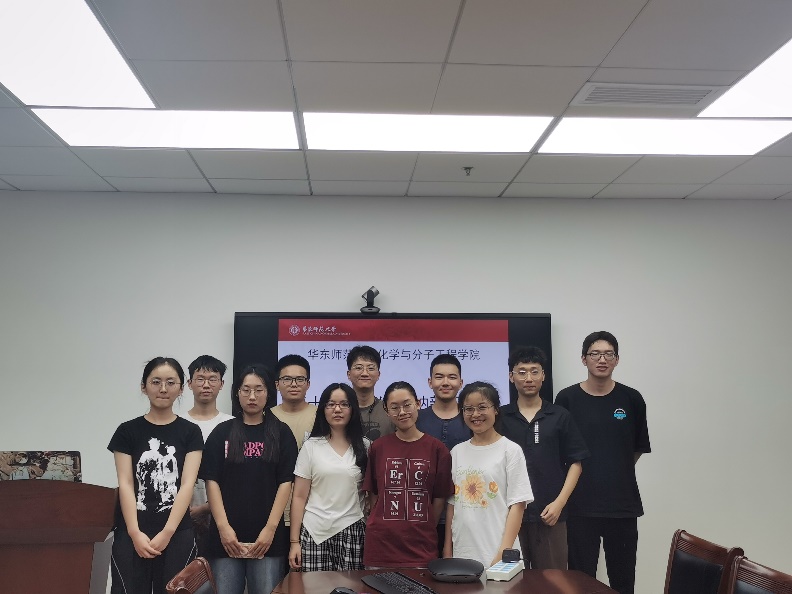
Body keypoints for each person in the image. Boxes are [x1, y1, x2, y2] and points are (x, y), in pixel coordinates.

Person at [555, 331, 651, 594]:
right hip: (580, 506)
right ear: (583, 359)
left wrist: (613, 469)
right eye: (595, 354)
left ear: (617, 360)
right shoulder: (566, 399)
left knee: (623, 581)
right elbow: (561, 451)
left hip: (622, 506)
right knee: (580, 582)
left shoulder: (632, 399)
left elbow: (636, 449)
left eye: (608, 354)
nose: (602, 359)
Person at [199, 364, 298, 594]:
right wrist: (224, 528)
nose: (252, 396)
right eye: (246, 390)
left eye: (259, 390)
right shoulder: (222, 432)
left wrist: (269, 530)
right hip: (226, 540)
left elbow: (286, 483)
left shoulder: (281, 433)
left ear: (268, 392)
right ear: (237, 393)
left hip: (267, 540)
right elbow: (211, 481)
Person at [107, 357, 204, 594]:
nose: (163, 388)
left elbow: (187, 484)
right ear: (144, 386)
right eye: (156, 382)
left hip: (177, 532)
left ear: (181, 388)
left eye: (171, 382)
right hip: (132, 532)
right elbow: (126, 483)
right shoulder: (127, 431)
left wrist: (167, 532)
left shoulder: (190, 432)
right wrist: (134, 533)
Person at [500, 346, 590, 569]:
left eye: (534, 371)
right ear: (511, 376)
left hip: (550, 513)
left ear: (543, 376)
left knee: (552, 580)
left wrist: (559, 503)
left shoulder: (560, 415)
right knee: (510, 579)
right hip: (509, 514)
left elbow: (576, 463)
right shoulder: (500, 417)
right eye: (522, 372)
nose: (528, 378)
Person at [362, 381, 453, 569]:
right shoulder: (378, 448)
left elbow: (439, 500)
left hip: (421, 547)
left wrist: (422, 524)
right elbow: (374, 495)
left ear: (418, 403)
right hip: (381, 546)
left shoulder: (437, 449)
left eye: (407, 405)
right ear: (387, 411)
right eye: (394, 407)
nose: (402, 412)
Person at [444, 382, 533, 568]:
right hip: (463, 552)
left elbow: (518, 505)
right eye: (468, 409)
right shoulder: (457, 452)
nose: (475, 414)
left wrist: (503, 552)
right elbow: (452, 504)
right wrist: (447, 549)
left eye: (482, 407)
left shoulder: (510, 450)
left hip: (497, 551)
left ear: (496, 409)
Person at [289, 383, 370, 571]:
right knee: (314, 586)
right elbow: (299, 496)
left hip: (352, 530)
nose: (337, 409)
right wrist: (294, 542)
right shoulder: (311, 446)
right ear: (323, 409)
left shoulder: (365, 446)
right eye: (331, 404)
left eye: (344, 404)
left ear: (353, 409)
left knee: (350, 586)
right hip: (315, 531)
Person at [416, 353, 471, 556]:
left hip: (467, 513)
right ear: (430, 382)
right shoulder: (417, 419)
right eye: (439, 377)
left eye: (452, 377)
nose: (445, 382)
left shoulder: (473, 419)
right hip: (423, 514)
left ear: (461, 383)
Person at [182, 355, 233, 544]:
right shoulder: (178, 423)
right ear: (189, 383)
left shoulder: (232, 425)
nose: (206, 385)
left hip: (225, 515)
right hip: (181, 514)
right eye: (200, 379)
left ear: (221, 384)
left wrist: (205, 508)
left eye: (212, 379)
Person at [271, 354, 318, 531]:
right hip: (273, 512)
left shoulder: (322, 417)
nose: (294, 384)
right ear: (277, 384)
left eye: (300, 379)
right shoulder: (266, 418)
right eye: (287, 379)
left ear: (308, 384)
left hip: (313, 511)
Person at [346, 345, 394, 441]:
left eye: (371, 368)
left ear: (378, 375)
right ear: (349, 374)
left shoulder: (390, 411)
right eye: (358, 368)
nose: (364, 373)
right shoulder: (338, 410)